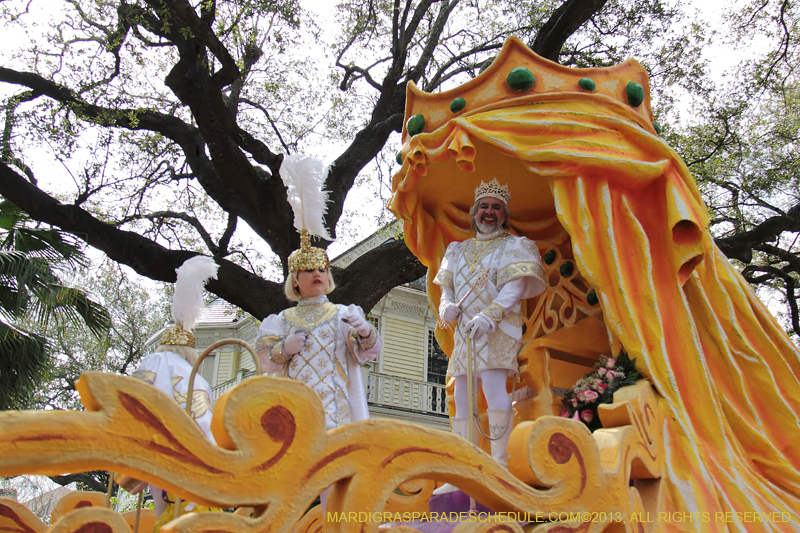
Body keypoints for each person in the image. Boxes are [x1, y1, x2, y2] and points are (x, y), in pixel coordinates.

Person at [433, 178, 546, 477]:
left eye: (496, 207)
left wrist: (488, 317)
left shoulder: (514, 246)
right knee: (462, 392)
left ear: (504, 214)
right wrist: (447, 307)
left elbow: (514, 289)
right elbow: (447, 289)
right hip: (464, 333)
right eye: (484, 206)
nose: (489, 212)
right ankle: (464, 465)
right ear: (475, 212)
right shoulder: (457, 250)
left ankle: (499, 464)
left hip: (498, 329)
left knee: (494, 386)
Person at [128, 255, 221, 527]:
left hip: (161, 446)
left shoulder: (155, 361)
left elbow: (137, 394)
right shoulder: (198, 377)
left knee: (166, 510)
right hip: (197, 451)